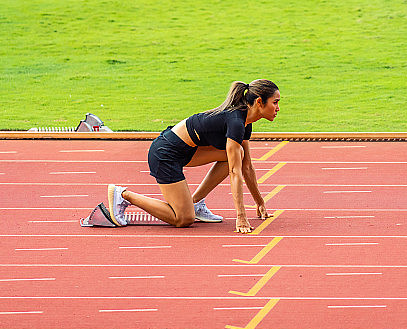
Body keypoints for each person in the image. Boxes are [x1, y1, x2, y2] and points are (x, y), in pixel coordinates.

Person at [102, 79, 280, 233]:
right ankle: (123, 195)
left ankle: (196, 202)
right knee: (183, 219)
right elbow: (235, 172)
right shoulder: (236, 122)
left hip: (186, 152)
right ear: (259, 102)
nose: (278, 108)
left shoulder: (245, 122)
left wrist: (260, 202)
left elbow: (246, 166)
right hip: (165, 154)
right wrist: (241, 216)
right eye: (275, 102)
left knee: (238, 154)